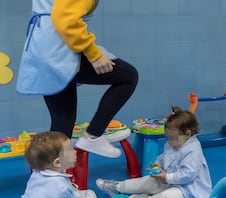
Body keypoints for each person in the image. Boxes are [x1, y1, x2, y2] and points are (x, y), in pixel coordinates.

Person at [16, 0, 138, 158]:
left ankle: (49, 179)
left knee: (62, 123)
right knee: (128, 76)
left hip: (43, 47)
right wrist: (94, 55)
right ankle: (93, 136)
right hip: (59, 47)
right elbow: (65, 20)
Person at [96, 107, 212, 198]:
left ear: (187, 134)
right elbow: (164, 157)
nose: (169, 142)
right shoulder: (173, 143)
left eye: (172, 138)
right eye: (168, 138)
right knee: (148, 181)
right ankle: (118, 187)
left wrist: (166, 176)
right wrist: (158, 165)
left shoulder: (193, 149)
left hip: (188, 189)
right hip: (169, 180)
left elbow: (188, 174)